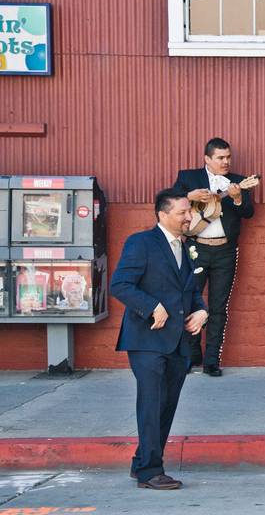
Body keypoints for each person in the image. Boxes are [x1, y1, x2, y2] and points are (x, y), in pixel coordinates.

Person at [110, 189, 208, 489]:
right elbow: (120, 284)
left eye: (189, 211)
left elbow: (190, 291)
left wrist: (202, 311)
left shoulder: (189, 247)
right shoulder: (141, 243)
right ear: (163, 215)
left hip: (178, 341)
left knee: (167, 405)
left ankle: (142, 461)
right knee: (152, 403)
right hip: (146, 339)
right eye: (182, 212)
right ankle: (150, 472)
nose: (189, 216)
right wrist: (151, 306)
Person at [173, 137, 256, 377]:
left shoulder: (239, 181)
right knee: (189, 302)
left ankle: (212, 361)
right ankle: (191, 355)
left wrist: (238, 197)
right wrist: (190, 196)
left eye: (228, 157)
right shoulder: (188, 178)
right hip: (195, 248)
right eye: (220, 158)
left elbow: (249, 213)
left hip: (225, 251)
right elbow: (168, 203)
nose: (225, 162)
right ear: (207, 159)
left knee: (219, 306)